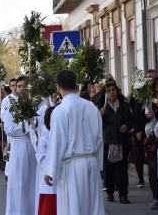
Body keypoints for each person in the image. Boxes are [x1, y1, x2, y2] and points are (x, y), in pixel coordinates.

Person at [43, 70, 104, 215]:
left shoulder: (60, 110)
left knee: (73, 207)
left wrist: (49, 170)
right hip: (92, 162)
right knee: (93, 206)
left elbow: (57, 141)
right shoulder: (92, 107)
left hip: (72, 165)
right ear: (76, 85)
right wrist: (98, 163)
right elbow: (100, 138)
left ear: (58, 87)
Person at [96, 83, 133, 204]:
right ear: (105, 93)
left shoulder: (124, 105)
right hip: (108, 141)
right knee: (109, 169)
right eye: (109, 90)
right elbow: (95, 125)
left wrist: (127, 126)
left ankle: (123, 194)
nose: (112, 92)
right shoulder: (101, 106)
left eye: (114, 90)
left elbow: (132, 120)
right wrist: (100, 115)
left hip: (122, 141)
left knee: (122, 169)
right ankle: (110, 192)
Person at [3, 90, 37, 215]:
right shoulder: (11, 108)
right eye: (18, 86)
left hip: (32, 147)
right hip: (19, 146)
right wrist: (26, 127)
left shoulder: (34, 107)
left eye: (23, 86)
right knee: (19, 182)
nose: (21, 89)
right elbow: (8, 129)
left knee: (32, 182)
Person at [135, 75, 158, 209]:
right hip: (150, 136)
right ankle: (155, 197)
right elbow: (137, 118)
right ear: (154, 86)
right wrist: (146, 117)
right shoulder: (147, 100)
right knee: (153, 167)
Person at [36, 106, 57, 215]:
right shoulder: (44, 140)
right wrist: (49, 170)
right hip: (50, 180)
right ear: (48, 123)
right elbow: (41, 158)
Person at [128, 81, 145, 188]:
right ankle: (141, 179)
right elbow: (133, 116)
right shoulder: (133, 99)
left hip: (148, 129)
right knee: (138, 154)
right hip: (137, 130)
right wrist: (137, 130)